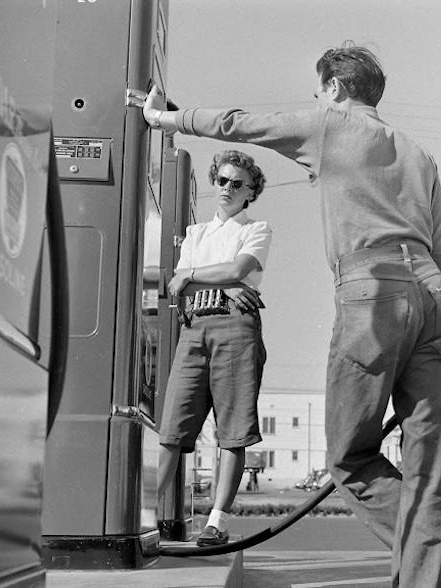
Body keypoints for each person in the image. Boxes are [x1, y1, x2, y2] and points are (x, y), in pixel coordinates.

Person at [137, 44, 441, 586]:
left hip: (372, 292)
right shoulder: (420, 155)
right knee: (426, 472)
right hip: (434, 302)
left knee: (349, 459)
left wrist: (164, 117)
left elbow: (241, 125)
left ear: (335, 87)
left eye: (319, 90)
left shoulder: (331, 125)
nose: (316, 98)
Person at [158, 149, 271, 547]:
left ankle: (216, 521)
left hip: (236, 332)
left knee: (233, 432)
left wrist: (193, 275)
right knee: (172, 424)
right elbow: (178, 284)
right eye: (222, 180)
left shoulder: (256, 229)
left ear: (250, 191)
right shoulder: (195, 234)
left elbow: (239, 270)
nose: (227, 188)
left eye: (237, 183)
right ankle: (146, 511)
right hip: (194, 330)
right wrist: (223, 284)